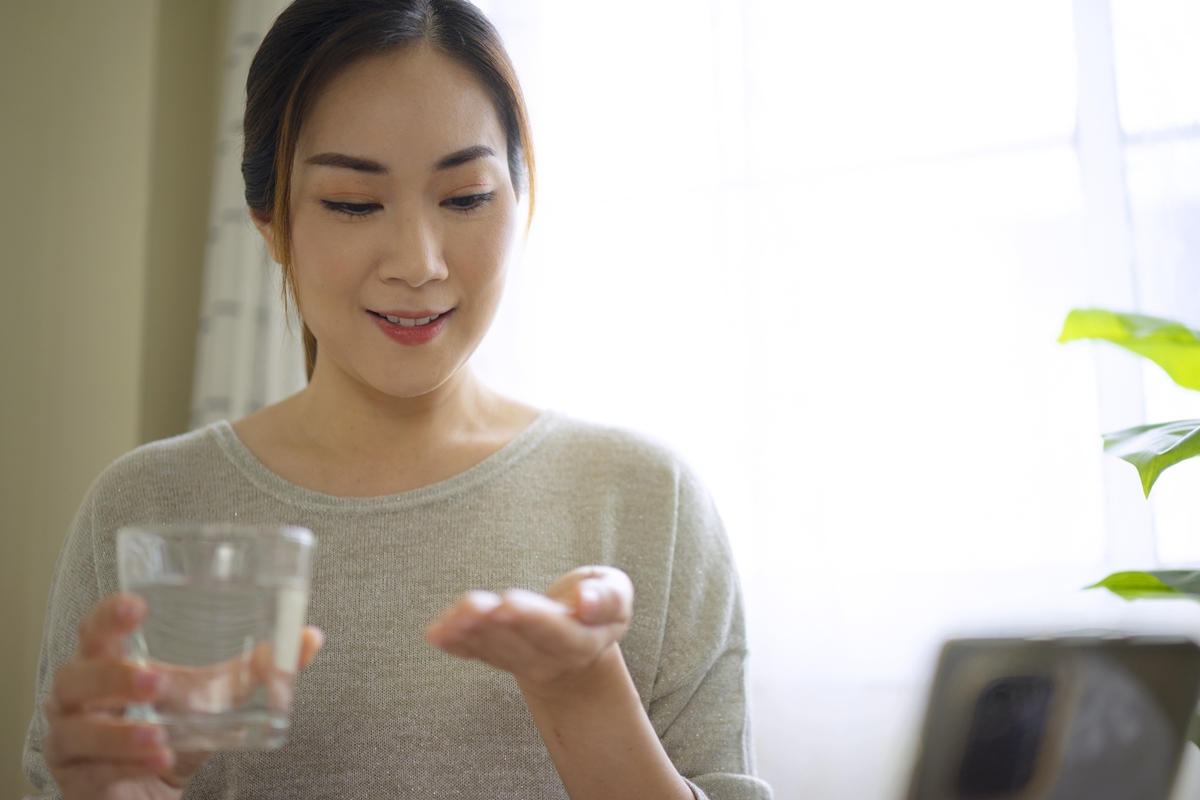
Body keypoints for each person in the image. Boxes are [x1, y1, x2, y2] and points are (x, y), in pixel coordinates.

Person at [23, 1, 770, 798]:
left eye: (465, 198)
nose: (418, 263)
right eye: (353, 202)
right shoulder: (146, 507)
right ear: (270, 224)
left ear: (520, 199)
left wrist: (585, 696)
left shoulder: (648, 503)